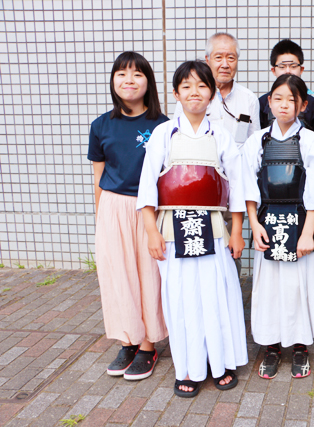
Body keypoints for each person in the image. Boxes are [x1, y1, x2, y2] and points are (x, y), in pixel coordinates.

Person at [137, 60, 247, 397]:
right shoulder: (163, 134)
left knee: (217, 296)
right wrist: (151, 233)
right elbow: (146, 189)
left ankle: (221, 362)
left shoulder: (222, 137)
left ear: (212, 94)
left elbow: (238, 188)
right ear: (175, 93)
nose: (194, 92)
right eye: (187, 86)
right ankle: (188, 368)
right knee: (182, 299)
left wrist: (237, 231)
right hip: (172, 230)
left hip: (213, 229)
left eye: (202, 86)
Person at [87, 51, 169, 381]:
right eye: (121, 74)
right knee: (117, 276)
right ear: (113, 82)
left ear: (148, 82)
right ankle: (127, 340)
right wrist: (101, 217)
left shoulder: (162, 126)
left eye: (137, 74)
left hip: (149, 209)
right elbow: (98, 176)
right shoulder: (101, 125)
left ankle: (148, 345)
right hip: (113, 207)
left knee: (149, 276)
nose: (129, 80)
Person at [244, 74, 314, 379]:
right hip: (268, 223)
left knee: (300, 287)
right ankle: (271, 347)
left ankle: (300, 347)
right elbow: (249, 189)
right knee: (268, 288)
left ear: (302, 105)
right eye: (277, 98)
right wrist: (254, 226)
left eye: (291, 99)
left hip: (300, 222)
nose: (283, 104)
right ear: (269, 102)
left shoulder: (311, 140)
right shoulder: (257, 141)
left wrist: (308, 233)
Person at [173, 32, 259, 275]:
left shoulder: (248, 99)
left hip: (234, 186)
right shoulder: (190, 96)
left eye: (231, 57)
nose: (225, 63)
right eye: (218, 56)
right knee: (198, 247)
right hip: (198, 188)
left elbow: (254, 146)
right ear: (207, 59)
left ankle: (231, 304)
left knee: (233, 250)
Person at [258, 39, 314, 141]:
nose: (288, 71)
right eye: (282, 66)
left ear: (301, 69)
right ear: (273, 70)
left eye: (293, 66)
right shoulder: (262, 103)